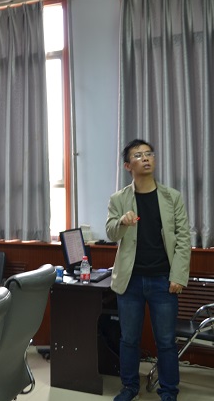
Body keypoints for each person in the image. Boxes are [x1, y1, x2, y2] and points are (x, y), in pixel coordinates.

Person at [106, 139, 190, 401]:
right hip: (130, 281)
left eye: (149, 154)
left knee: (165, 341)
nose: (145, 158)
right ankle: (129, 387)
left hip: (163, 280)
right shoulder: (119, 199)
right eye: (138, 155)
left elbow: (183, 239)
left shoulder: (172, 197)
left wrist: (178, 276)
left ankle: (169, 391)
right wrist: (122, 221)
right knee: (129, 339)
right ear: (127, 166)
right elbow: (111, 233)